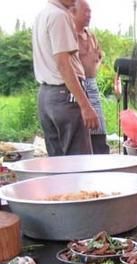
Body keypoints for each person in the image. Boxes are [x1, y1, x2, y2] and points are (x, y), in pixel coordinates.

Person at [32, 0, 98, 156]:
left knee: (57, 160)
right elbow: (63, 64)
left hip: (47, 95)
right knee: (78, 162)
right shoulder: (59, 16)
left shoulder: (43, 14)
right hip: (65, 94)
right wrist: (85, 106)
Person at [72, 0, 109, 154]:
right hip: (76, 84)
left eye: (90, 12)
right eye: (85, 12)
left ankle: (101, 160)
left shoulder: (91, 36)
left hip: (92, 84)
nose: (89, 16)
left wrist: (96, 64)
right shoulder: (70, 35)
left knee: (99, 129)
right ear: (74, 12)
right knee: (81, 130)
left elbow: (99, 57)